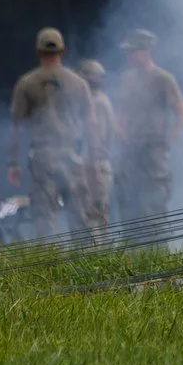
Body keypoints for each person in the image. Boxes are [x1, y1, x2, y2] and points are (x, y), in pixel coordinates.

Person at [8, 28, 90, 238]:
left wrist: (13, 164)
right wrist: (90, 157)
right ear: (62, 51)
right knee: (79, 215)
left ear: (38, 52)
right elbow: (91, 123)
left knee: (45, 218)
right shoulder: (79, 83)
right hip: (72, 156)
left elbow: (17, 127)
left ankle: (52, 266)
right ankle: (88, 264)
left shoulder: (27, 84)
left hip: (42, 158)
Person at [113, 30, 183, 226]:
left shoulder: (163, 79)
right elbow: (120, 112)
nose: (130, 56)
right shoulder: (127, 79)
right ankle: (133, 249)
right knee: (129, 198)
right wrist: (121, 132)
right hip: (131, 149)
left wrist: (168, 141)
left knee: (154, 200)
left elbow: (182, 113)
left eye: (134, 51)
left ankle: (157, 248)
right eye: (129, 52)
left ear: (147, 50)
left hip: (154, 149)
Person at [74, 58, 117, 235]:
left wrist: (92, 166)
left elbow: (95, 137)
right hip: (100, 164)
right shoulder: (103, 100)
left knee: (91, 219)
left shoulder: (95, 103)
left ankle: (95, 260)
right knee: (100, 217)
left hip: (94, 165)